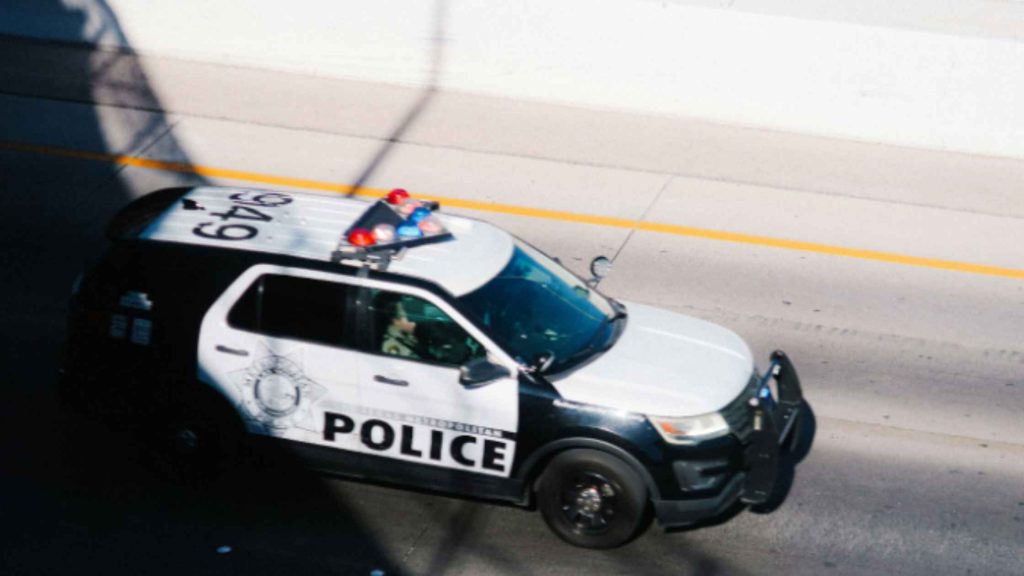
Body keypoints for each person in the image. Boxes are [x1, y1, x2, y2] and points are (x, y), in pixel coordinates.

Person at [377, 294, 421, 359]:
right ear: (395, 321)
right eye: (405, 317)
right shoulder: (391, 344)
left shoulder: (405, 336)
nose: (411, 322)